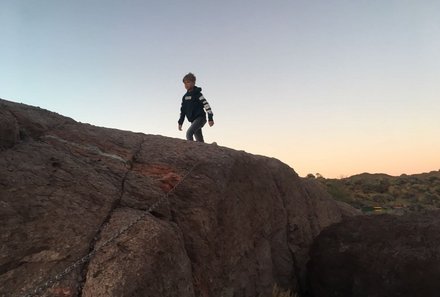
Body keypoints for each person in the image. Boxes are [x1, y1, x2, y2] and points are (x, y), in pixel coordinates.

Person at [178, 73, 214, 142]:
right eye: (184, 83)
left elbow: (206, 105)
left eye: (188, 82)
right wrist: (180, 122)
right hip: (193, 121)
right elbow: (183, 111)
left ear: (194, 82)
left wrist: (210, 118)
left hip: (200, 118)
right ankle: (207, 149)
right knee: (200, 141)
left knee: (189, 133)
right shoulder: (185, 97)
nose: (186, 85)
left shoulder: (198, 94)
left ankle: (190, 151)